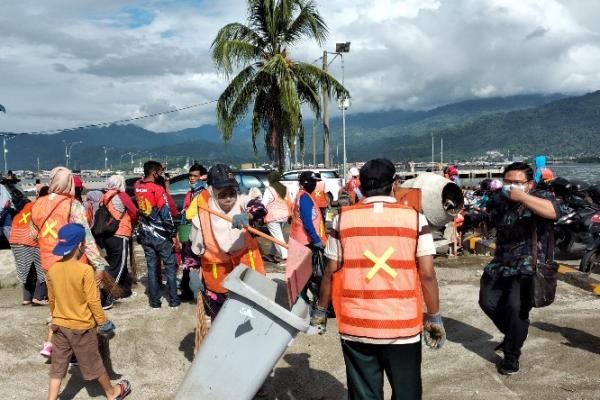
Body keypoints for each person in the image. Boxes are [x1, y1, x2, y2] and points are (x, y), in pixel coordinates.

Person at [312, 158, 444, 400]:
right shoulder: (415, 219)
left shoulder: (342, 218)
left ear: (360, 185)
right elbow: (427, 274)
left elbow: (330, 271)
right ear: (394, 184)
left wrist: (320, 310)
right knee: (407, 394)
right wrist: (434, 316)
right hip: (402, 326)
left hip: (356, 326)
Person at [473, 162, 562, 375]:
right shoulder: (500, 200)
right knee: (487, 302)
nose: (511, 186)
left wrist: (522, 197)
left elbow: (553, 212)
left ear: (530, 184)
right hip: (501, 263)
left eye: (517, 182)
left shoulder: (542, 197)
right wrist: (471, 217)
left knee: (515, 308)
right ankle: (514, 334)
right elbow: (487, 217)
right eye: (507, 181)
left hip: (528, 266)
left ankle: (511, 356)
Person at [46, 223, 131, 400]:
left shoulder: (53, 270)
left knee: (58, 365)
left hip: (60, 326)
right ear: (79, 245)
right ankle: (112, 392)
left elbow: (52, 300)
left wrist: (55, 319)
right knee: (93, 363)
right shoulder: (85, 270)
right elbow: (93, 302)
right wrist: (104, 323)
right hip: (81, 328)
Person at [31, 167, 109, 358]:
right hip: (72, 261)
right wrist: (99, 264)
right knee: (79, 307)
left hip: (49, 263)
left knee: (58, 305)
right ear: (69, 183)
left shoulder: (37, 204)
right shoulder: (72, 205)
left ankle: (51, 344)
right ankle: (77, 354)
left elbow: (33, 235)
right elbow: (87, 238)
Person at [189, 163, 265, 318]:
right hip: (219, 284)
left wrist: (248, 216)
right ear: (212, 192)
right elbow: (191, 251)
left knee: (248, 318)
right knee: (222, 321)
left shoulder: (242, 203)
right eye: (223, 195)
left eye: (232, 193)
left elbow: (260, 208)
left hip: (247, 277)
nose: (229, 199)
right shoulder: (202, 217)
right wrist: (192, 273)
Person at [134, 160, 180, 309]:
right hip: (161, 236)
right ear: (154, 173)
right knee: (170, 268)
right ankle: (174, 301)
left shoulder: (138, 187)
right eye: (159, 173)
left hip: (146, 235)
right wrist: (173, 234)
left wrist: (159, 171)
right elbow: (166, 214)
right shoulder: (157, 190)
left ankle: (155, 303)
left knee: (152, 270)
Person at [98, 175, 139, 306]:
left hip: (107, 234)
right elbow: (134, 212)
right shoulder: (122, 195)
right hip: (120, 233)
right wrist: (133, 223)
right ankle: (106, 296)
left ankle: (124, 291)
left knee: (114, 262)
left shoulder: (104, 196)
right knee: (119, 267)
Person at [10, 189, 46, 305]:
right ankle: (38, 297)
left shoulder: (29, 204)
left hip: (15, 237)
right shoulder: (43, 205)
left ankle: (27, 298)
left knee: (25, 269)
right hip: (29, 238)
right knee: (42, 269)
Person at [179, 164, 209, 301]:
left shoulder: (204, 193)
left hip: (200, 233)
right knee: (188, 263)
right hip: (189, 232)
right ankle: (187, 291)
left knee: (200, 263)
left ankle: (202, 293)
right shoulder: (190, 193)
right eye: (190, 175)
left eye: (195, 176)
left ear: (202, 177)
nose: (191, 178)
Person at [261, 170, 291, 265]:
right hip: (285, 215)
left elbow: (263, 204)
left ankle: (286, 257)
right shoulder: (285, 188)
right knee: (277, 235)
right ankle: (272, 254)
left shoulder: (269, 189)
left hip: (273, 217)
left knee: (277, 238)